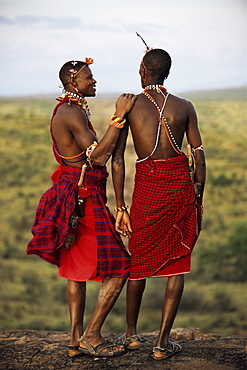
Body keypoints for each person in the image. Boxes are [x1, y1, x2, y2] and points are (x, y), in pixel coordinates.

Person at [27, 57, 136, 358]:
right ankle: (91, 334)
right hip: (83, 200)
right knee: (121, 267)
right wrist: (119, 116)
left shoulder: (69, 109)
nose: (94, 80)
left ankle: (75, 341)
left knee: (75, 270)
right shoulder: (71, 113)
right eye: (89, 76)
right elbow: (98, 158)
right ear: (74, 81)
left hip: (76, 195)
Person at [112, 47, 206, 360]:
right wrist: (198, 197)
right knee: (176, 263)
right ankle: (162, 343)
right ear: (167, 73)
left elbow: (117, 161)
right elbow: (199, 154)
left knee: (138, 261)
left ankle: (131, 335)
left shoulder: (130, 105)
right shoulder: (185, 106)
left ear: (143, 71)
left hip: (147, 191)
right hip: (180, 188)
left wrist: (121, 206)